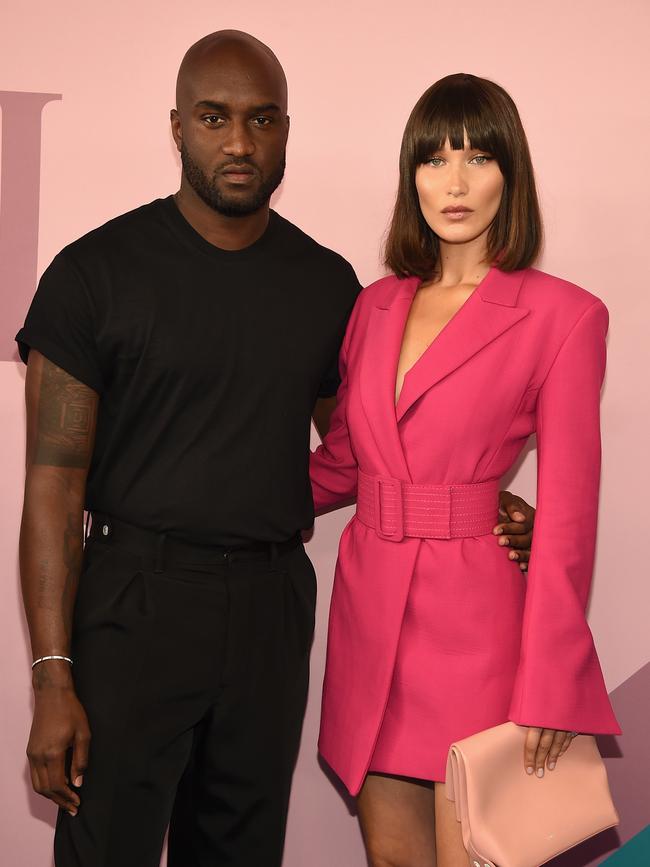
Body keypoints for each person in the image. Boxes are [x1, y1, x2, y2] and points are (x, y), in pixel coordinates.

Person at [16, 32, 536, 867]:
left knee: (240, 850)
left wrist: (480, 500)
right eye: (215, 118)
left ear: (286, 130)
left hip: (269, 607)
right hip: (134, 603)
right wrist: (52, 677)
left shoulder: (331, 288)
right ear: (177, 125)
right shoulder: (94, 274)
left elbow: (381, 446)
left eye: (261, 120)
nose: (239, 142)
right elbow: (50, 490)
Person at [309, 73, 621, 867]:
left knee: (476, 858)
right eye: (434, 159)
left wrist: (552, 677)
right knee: (391, 859)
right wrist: (204, 486)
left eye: (478, 159)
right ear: (410, 175)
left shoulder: (564, 315)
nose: (454, 182)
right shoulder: (374, 306)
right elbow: (343, 461)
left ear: (510, 176)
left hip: (480, 631)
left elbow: (571, 508)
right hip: (370, 618)